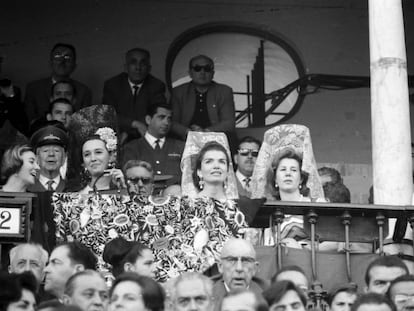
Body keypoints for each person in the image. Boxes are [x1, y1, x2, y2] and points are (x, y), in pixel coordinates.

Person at [251, 124, 325, 243]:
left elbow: (328, 243)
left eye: (294, 170)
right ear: (275, 179)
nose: (288, 174)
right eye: (283, 170)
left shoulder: (316, 205)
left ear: (301, 179)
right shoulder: (268, 211)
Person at [103, 48, 166, 142]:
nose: (138, 67)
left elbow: (156, 115)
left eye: (143, 63)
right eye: (133, 62)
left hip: (145, 136)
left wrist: (128, 132)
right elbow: (108, 115)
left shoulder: (157, 86)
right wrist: (134, 124)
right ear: (125, 67)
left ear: (149, 68)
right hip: (117, 136)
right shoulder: (112, 85)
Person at [170, 55, 235, 141]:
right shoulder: (179, 91)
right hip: (184, 138)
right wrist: (188, 132)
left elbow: (229, 123)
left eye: (207, 69)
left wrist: (205, 132)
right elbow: (172, 122)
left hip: (215, 138)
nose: (202, 72)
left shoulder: (224, 91)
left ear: (213, 73)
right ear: (190, 73)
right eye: (197, 68)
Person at [24, 43, 92, 123]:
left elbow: (84, 124)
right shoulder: (34, 88)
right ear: (50, 62)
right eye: (57, 57)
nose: (62, 62)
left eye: (67, 57)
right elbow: (29, 120)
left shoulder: (83, 91)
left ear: (74, 65)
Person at [121, 102, 184, 184]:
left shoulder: (180, 146)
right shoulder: (132, 148)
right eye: (161, 117)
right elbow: (129, 177)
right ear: (148, 119)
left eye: (169, 119)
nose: (166, 122)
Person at [213, 238, 264, 307]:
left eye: (246, 260)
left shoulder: (268, 297)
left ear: (254, 268)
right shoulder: (205, 297)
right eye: (232, 260)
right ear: (220, 266)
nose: (239, 268)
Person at [77, 127, 126, 193]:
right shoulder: (78, 196)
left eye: (98, 152)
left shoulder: (124, 186)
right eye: (87, 154)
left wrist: (123, 188)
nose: (93, 159)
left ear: (111, 156)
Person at [29, 123, 68, 192]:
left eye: (56, 151)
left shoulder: (72, 189)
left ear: (64, 158)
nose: (51, 154)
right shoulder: (27, 188)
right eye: (45, 151)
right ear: (37, 158)